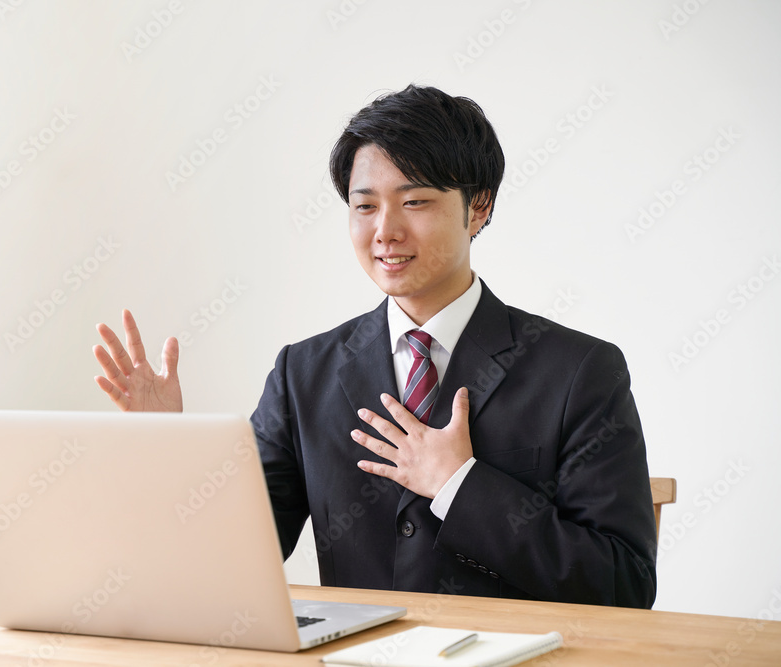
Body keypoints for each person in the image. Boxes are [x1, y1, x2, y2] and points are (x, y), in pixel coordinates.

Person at [92, 84, 657, 609]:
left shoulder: (579, 370)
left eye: (414, 202)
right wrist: (166, 450)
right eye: (365, 206)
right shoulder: (302, 374)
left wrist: (458, 485)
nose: (385, 231)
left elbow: (623, 584)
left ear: (479, 206)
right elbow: (231, 560)